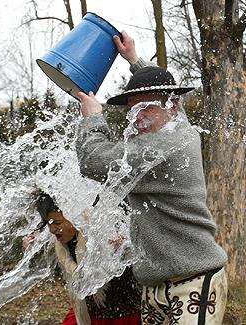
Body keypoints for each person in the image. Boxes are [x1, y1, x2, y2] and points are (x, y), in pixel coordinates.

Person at [75, 31, 228, 325]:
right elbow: (164, 97)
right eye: (133, 109)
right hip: (154, 285)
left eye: (147, 108)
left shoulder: (163, 147)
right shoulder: (176, 127)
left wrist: (93, 118)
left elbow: (92, 161)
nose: (139, 117)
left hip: (193, 282)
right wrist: (134, 60)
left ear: (170, 106)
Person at [23, 193, 142, 325]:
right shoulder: (60, 243)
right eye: (48, 224)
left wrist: (124, 245)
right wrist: (33, 246)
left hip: (124, 316)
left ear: (74, 218)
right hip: (86, 314)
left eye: (57, 223)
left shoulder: (100, 234)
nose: (52, 230)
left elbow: (136, 247)